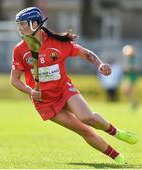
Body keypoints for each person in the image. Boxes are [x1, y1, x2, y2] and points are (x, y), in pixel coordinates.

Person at [10, 7, 138, 165]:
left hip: (64, 90)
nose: (20, 28)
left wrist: (99, 64)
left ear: (35, 23)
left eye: (23, 24)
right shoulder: (19, 50)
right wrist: (30, 91)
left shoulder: (57, 43)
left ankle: (117, 133)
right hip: (44, 102)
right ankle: (119, 159)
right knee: (83, 130)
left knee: (87, 117)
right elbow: (14, 80)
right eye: (19, 24)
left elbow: (86, 53)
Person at [122, 45, 138, 109]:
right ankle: (133, 102)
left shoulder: (133, 58)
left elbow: (136, 68)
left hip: (132, 76)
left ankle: (134, 102)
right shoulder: (129, 59)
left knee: (128, 90)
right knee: (127, 91)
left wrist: (128, 68)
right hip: (128, 76)